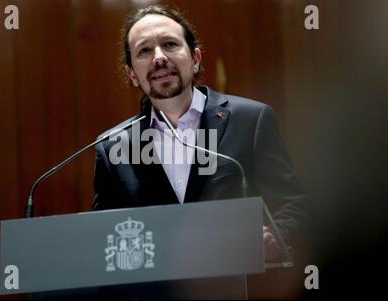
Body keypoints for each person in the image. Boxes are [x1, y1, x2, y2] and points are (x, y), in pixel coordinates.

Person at [92, 5, 309, 264]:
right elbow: (103, 237)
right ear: (132, 74)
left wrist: (276, 238)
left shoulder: (250, 120)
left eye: (170, 44)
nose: (159, 58)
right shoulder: (113, 148)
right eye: (144, 51)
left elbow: (293, 205)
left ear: (195, 59)